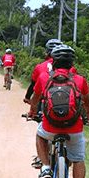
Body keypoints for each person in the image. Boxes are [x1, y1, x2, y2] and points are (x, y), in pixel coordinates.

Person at [27, 44, 89, 178]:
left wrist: (31, 112)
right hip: (74, 129)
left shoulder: (45, 77)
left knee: (40, 135)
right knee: (78, 159)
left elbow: (35, 98)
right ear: (71, 63)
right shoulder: (80, 80)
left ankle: (45, 167)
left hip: (50, 127)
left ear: (53, 61)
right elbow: (86, 102)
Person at [25, 38, 64, 169]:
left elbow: (33, 86)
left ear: (47, 53)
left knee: (42, 129)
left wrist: (27, 99)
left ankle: (43, 160)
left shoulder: (40, 67)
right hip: (65, 105)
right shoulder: (70, 69)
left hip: (44, 104)